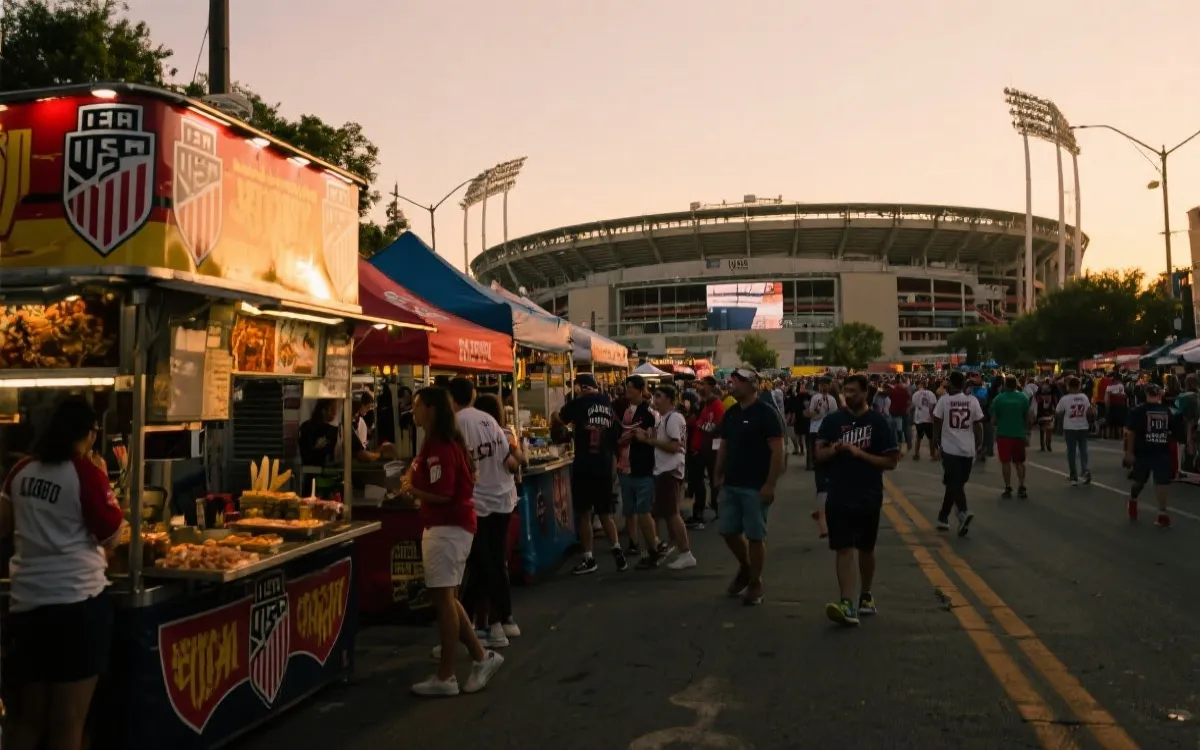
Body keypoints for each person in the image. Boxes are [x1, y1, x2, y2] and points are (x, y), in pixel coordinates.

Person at [2, 397, 124, 750]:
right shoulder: (85, 473)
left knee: (25, 719)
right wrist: (101, 477)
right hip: (77, 608)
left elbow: (4, 524)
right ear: (88, 433)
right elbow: (113, 535)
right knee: (68, 722)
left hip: (27, 607)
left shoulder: (21, 471)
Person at [405, 387, 503, 696]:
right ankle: (480, 656)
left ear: (432, 409)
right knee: (447, 598)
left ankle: (447, 675)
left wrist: (413, 489)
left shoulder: (441, 446)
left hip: (448, 527)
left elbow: (444, 492)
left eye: (417, 405)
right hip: (446, 526)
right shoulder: (436, 443)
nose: (413, 411)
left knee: (445, 600)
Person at [816, 374, 900, 626]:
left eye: (854, 391)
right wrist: (835, 450)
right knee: (843, 547)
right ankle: (846, 602)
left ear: (866, 393)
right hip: (839, 493)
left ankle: (865, 594)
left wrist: (859, 453)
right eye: (846, 390)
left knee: (866, 548)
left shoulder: (879, 422)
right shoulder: (833, 421)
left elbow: (891, 461)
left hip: (868, 493)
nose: (849, 394)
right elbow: (818, 455)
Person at [448, 379, 519, 649]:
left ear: (451, 398)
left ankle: (493, 625)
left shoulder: (457, 423)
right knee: (488, 563)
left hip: (480, 503)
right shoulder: (491, 422)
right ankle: (498, 622)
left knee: (483, 565)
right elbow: (509, 459)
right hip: (502, 499)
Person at [713, 368, 783, 605]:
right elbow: (724, 445)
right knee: (728, 530)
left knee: (755, 535)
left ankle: (755, 582)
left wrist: (770, 484)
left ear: (754, 385)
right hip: (731, 483)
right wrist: (718, 474)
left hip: (755, 485)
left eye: (740, 381)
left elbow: (777, 452)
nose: (734, 384)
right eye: (733, 380)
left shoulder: (766, 414)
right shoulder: (731, 413)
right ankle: (746, 567)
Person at [560, 373, 625, 574]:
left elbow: (560, 418)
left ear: (583, 387)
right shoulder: (608, 405)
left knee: (585, 514)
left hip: (585, 465)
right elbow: (617, 438)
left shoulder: (580, 403)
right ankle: (617, 549)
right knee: (605, 513)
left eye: (576, 386)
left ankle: (589, 558)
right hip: (604, 464)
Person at [639, 384, 696, 570]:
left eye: (659, 396)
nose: (655, 399)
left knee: (672, 514)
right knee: (663, 513)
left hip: (669, 471)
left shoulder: (673, 418)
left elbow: (674, 446)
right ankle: (667, 546)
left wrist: (649, 440)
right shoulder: (664, 418)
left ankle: (685, 552)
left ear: (670, 400)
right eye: (654, 396)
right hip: (665, 471)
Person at [618, 375, 662, 566]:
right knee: (630, 510)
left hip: (642, 467)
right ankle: (635, 543)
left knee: (644, 512)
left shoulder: (649, 413)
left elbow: (650, 438)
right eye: (626, 387)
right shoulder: (626, 411)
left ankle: (653, 549)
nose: (627, 390)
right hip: (625, 467)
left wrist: (637, 437)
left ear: (639, 389)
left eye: (630, 387)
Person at [932, 371, 984, 536]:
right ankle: (962, 512)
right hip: (967, 450)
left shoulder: (944, 400)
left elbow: (937, 422)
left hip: (950, 449)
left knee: (954, 484)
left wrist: (934, 442)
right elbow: (977, 425)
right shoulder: (972, 401)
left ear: (951, 384)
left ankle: (944, 516)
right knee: (956, 482)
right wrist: (979, 443)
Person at [1123, 384, 1175, 527]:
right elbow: (1131, 432)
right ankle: (1133, 500)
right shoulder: (1139, 411)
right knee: (1141, 481)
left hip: (1159, 451)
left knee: (1161, 482)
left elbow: (1171, 431)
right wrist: (1129, 452)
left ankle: (1162, 513)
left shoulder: (1166, 411)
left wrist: (1129, 452)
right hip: (1145, 452)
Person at [805, 378, 839, 537]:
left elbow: (836, 416)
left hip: (829, 434)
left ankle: (823, 513)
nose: (824, 388)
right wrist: (815, 413)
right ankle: (822, 519)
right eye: (822, 385)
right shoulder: (815, 398)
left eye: (827, 385)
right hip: (815, 430)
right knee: (820, 468)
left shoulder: (832, 400)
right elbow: (809, 413)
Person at [991, 376, 1031, 499]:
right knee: (1019, 462)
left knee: (1005, 462)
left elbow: (993, 420)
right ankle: (1022, 485)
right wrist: (1027, 433)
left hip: (1004, 435)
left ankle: (1008, 487)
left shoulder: (998, 399)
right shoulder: (1023, 398)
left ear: (1005, 385)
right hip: (1019, 434)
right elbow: (1028, 418)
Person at [1055, 376, 1094, 486]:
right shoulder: (1084, 397)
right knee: (1083, 450)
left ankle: (1073, 476)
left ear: (1068, 387)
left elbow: (1058, 412)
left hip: (1070, 428)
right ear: (1079, 386)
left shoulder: (1064, 399)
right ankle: (1085, 470)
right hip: (1083, 426)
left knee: (1071, 452)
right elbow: (1088, 411)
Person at [911, 380, 938, 461]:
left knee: (918, 437)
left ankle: (916, 454)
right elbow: (934, 404)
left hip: (919, 418)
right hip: (928, 418)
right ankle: (932, 455)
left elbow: (914, 404)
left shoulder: (916, 394)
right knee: (930, 438)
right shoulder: (931, 393)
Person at [887, 377, 912, 454]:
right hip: (904, 412)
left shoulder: (892, 391)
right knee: (906, 428)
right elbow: (909, 401)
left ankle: (899, 448)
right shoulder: (905, 390)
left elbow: (889, 399)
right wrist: (908, 409)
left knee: (897, 430)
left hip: (894, 413)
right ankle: (908, 443)